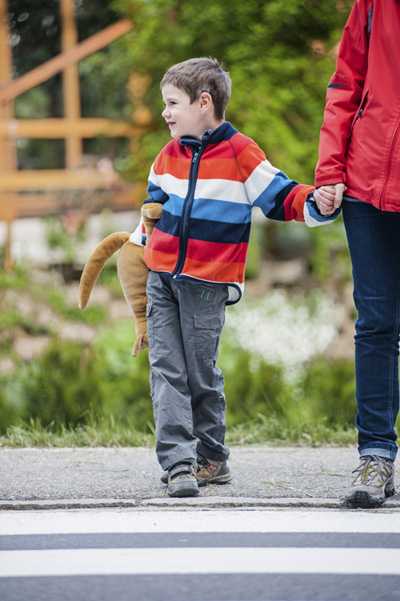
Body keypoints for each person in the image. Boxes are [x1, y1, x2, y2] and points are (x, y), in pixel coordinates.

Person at [131, 57, 337, 497]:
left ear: (203, 102)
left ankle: (211, 458)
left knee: (200, 373)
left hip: (207, 285)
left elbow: (282, 197)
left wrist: (319, 203)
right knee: (166, 368)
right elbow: (150, 212)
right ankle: (179, 463)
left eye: (172, 103)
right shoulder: (167, 155)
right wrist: (137, 251)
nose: (165, 113)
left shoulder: (241, 153)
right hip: (161, 278)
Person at [314, 0, 399, 507]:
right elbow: (345, 84)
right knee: (376, 322)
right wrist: (330, 170)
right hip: (368, 182)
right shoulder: (372, 4)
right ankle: (375, 455)